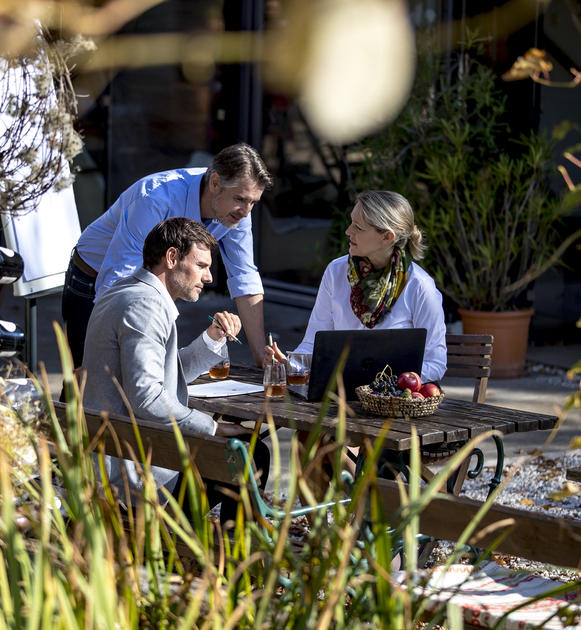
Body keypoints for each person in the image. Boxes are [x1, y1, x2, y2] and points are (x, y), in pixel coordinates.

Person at [82, 217, 269, 527]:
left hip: (118, 460)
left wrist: (211, 339)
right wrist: (208, 427)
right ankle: (237, 565)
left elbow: (153, 372)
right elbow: (147, 396)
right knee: (251, 454)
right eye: (201, 265)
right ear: (171, 258)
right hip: (133, 484)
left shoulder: (126, 290)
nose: (209, 277)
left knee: (243, 450)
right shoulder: (146, 305)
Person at [63, 143, 273, 370]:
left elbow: (244, 278)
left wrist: (263, 359)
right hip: (93, 278)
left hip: (150, 286)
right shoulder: (155, 198)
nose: (247, 211)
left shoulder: (238, 211)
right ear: (215, 183)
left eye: (253, 202)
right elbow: (115, 281)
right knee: (85, 382)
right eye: (241, 199)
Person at [269, 190, 447, 383]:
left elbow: (435, 363)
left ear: (387, 237)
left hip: (391, 402)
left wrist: (383, 380)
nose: (348, 231)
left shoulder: (419, 286)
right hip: (339, 395)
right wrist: (290, 364)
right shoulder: (336, 272)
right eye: (351, 222)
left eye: (358, 227)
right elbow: (313, 344)